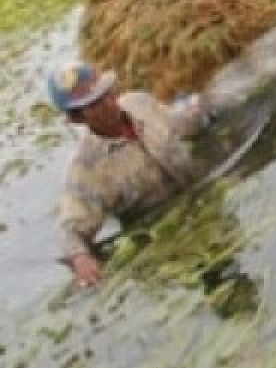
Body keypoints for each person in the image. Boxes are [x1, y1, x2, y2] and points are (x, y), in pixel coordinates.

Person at [48, 61, 207, 287]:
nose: (109, 103)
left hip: (203, 194)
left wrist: (198, 107)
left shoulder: (140, 104)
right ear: (77, 118)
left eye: (106, 92)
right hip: (168, 234)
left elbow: (179, 125)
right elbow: (70, 232)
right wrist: (81, 258)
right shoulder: (86, 169)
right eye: (95, 104)